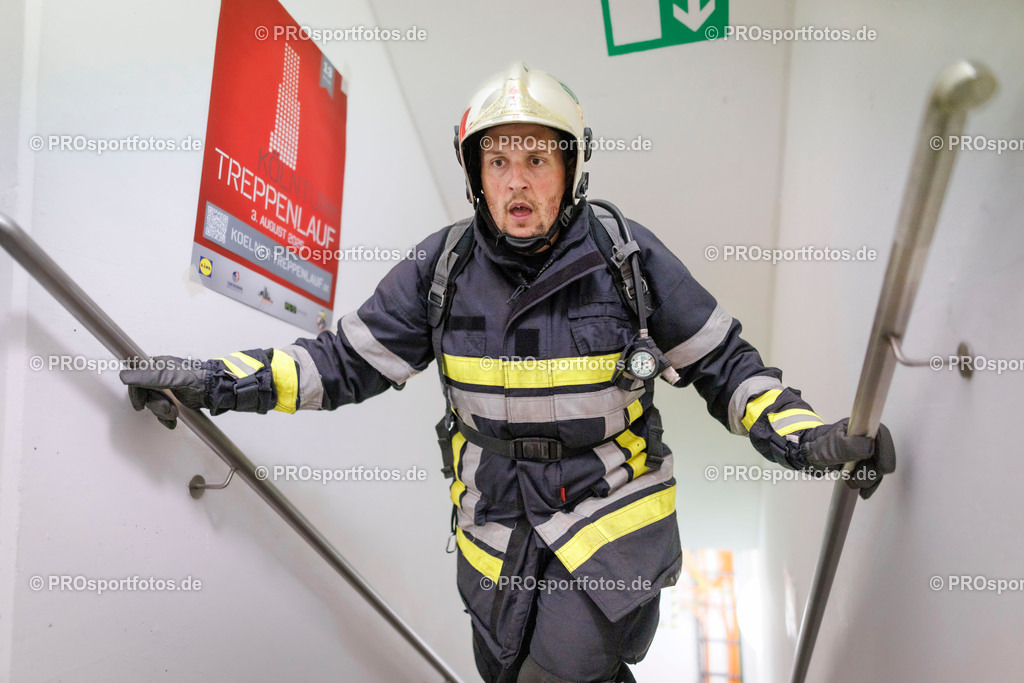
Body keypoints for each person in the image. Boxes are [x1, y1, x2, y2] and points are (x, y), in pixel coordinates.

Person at [120, 62, 896, 683]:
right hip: (493, 540)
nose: (517, 182)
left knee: (564, 669)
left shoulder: (628, 256)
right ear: (474, 173)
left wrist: (810, 439)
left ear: (572, 167)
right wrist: (211, 381)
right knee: (503, 668)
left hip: (605, 533)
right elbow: (340, 362)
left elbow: (725, 366)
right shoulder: (441, 266)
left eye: (536, 158)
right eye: (498, 160)